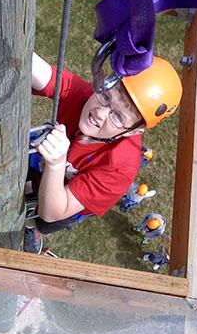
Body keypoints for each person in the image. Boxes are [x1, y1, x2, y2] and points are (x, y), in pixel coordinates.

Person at [23, 52, 182, 253]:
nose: (99, 113)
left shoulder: (120, 167)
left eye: (117, 117)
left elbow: (52, 212)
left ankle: (31, 228)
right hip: (44, 165)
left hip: (68, 203)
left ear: (133, 131)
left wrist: (56, 165)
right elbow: (40, 71)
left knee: (42, 223)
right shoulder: (85, 97)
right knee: (28, 183)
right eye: (106, 97)